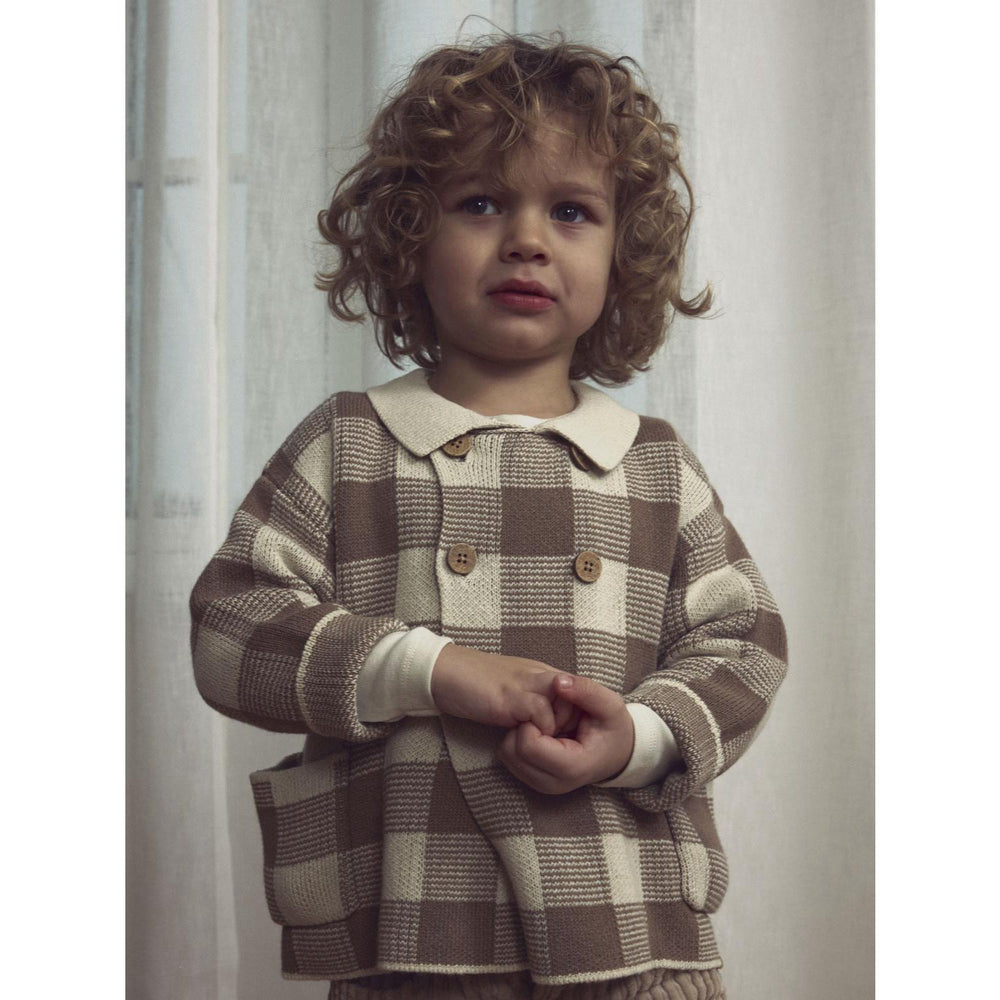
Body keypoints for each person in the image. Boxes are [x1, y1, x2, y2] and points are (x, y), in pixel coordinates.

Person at [191, 33, 787, 1000]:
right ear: (407, 236)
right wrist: (432, 671)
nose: (527, 239)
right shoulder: (348, 444)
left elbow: (745, 643)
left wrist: (638, 737)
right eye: (480, 203)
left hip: (628, 932)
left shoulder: (653, 465)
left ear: (623, 254)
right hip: (414, 940)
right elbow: (232, 626)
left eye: (572, 210)